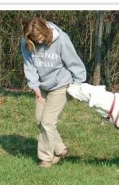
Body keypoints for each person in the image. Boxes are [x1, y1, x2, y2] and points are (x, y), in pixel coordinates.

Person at [21, 17, 86, 168]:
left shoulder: (61, 39)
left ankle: (46, 158)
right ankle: (60, 149)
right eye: (35, 40)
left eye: (40, 38)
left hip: (62, 84)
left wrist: (77, 84)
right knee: (39, 120)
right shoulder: (26, 42)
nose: (39, 42)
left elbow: (73, 61)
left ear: (45, 31)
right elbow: (29, 66)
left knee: (48, 122)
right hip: (42, 86)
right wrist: (35, 87)